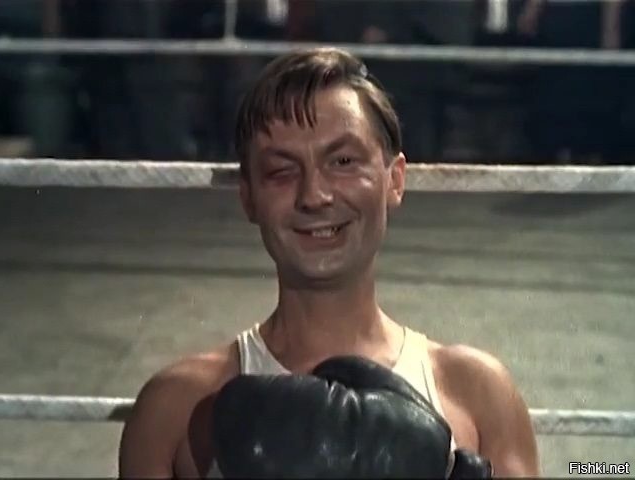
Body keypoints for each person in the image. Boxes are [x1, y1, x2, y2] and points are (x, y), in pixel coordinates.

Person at [118, 47, 540, 478]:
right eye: (281, 170)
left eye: (343, 162)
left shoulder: (478, 396)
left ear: (394, 180)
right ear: (248, 197)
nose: (314, 195)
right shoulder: (177, 410)